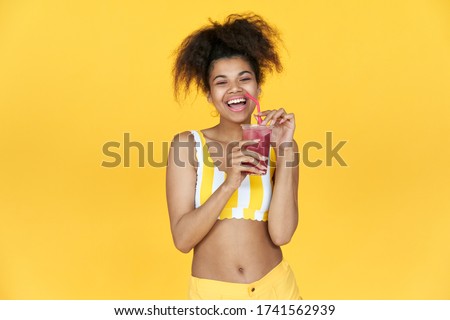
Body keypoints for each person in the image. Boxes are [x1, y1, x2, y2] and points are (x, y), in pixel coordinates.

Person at [166, 13, 301, 299]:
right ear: (208, 94)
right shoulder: (187, 146)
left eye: (244, 78)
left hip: (276, 290)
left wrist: (286, 149)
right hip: (214, 297)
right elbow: (182, 239)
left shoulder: (280, 145)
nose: (235, 89)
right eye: (221, 82)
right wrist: (230, 181)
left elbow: (282, 235)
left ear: (258, 87)